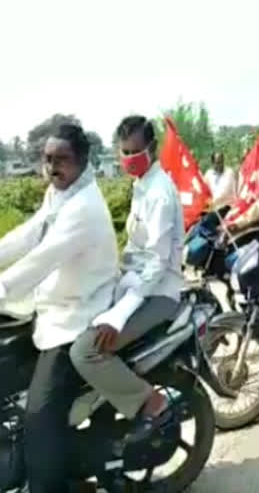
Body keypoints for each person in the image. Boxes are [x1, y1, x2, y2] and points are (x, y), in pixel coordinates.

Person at [0, 124, 119, 492]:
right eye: (48, 159)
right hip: (49, 309)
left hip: (76, 318)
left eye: (61, 160)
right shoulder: (60, 193)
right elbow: (30, 233)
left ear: (82, 161)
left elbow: (41, 259)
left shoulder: (84, 208)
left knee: (39, 414)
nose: (52, 167)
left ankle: (50, 486)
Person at [70, 115, 185, 444]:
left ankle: (152, 401)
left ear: (151, 149)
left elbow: (157, 265)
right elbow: (134, 251)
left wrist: (119, 314)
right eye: (123, 152)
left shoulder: (159, 193)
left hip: (158, 293)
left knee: (86, 351)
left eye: (134, 152)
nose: (127, 159)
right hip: (134, 285)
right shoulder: (141, 186)